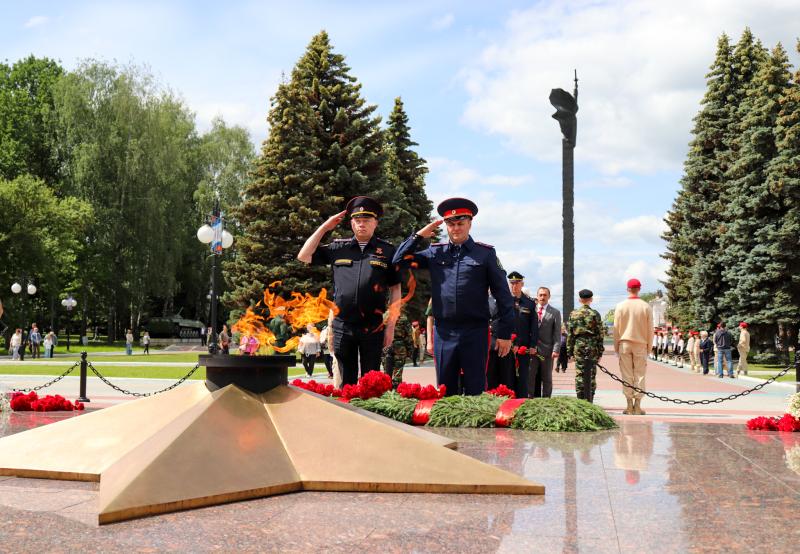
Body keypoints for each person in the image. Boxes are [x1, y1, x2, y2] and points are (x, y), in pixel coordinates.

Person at [392, 197, 514, 396]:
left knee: (475, 389)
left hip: (475, 331)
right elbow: (398, 261)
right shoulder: (435, 252)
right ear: (446, 226)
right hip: (444, 332)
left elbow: (503, 295)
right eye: (451, 224)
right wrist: (418, 236)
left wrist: (505, 333)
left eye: (460, 223)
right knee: (445, 390)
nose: (456, 228)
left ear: (470, 223)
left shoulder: (485, 254)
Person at [298, 196, 401, 386]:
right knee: (346, 382)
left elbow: (396, 289)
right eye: (357, 220)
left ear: (375, 223)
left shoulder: (388, 251)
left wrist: (391, 326)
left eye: (367, 220)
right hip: (342, 325)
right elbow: (304, 255)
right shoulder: (339, 247)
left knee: (372, 383)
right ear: (352, 223)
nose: (361, 224)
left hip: (373, 325)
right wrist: (324, 228)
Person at [488, 271, 538, 397]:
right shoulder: (503, 301)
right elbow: (498, 322)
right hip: (507, 345)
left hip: (523, 347)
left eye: (517, 283)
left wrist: (533, 345)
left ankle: (521, 402)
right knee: (507, 377)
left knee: (522, 378)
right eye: (512, 283)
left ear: (522, 284)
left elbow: (533, 326)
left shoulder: (529, 303)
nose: (514, 286)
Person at [613, 278, 654, 415]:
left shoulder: (620, 306)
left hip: (624, 343)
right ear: (639, 289)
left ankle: (629, 405)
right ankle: (638, 406)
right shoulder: (646, 306)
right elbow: (650, 330)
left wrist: (616, 347)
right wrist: (649, 348)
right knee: (640, 375)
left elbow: (616, 329)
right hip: (641, 344)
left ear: (627, 289)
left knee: (626, 375)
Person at [567, 289, 604, 403]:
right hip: (592, 345)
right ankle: (590, 399)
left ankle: (580, 399)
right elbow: (600, 334)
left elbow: (570, 334)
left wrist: (569, 351)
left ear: (580, 299)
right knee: (591, 373)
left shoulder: (573, 314)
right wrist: (600, 351)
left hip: (578, 345)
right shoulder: (595, 314)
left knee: (580, 373)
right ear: (591, 299)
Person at [530, 286, 562, 398]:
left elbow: (557, 333)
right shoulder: (531, 310)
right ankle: (529, 400)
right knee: (530, 376)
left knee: (547, 378)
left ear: (549, 296)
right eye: (540, 295)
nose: (542, 297)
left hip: (547, 351)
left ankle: (546, 400)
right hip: (532, 350)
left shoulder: (555, 312)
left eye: (545, 295)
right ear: (537, 296)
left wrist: (556, 349)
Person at [385, 312, 414, 387]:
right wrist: (410, 350)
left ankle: (386, 389)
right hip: (399, 347)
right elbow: (408, 336)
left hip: (386, 346)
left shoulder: (384, 317)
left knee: (386, 372)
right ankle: (396, 389)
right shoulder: (403, 318)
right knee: (398, 372)